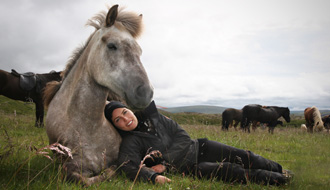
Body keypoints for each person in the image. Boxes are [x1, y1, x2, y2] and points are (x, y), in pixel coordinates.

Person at [104, 100, 293, 185]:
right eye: (118, 120)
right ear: (116, 126)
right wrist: (152, 177)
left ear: (129, 109)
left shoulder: (155, 117)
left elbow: (183, 137)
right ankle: (278, 179)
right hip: (189, 167)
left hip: (200, 146)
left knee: (245, 156)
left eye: (124, 112)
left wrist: (165, 162)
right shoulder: (131, 141)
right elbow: (127, 166)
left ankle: (279, 169)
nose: (125, 119)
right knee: (232, 170)